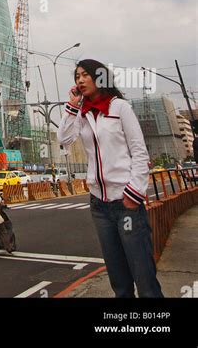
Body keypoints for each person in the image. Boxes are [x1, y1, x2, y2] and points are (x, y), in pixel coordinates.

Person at [58, 59, 163, 299]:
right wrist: (72, 108)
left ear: (100, 77)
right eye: (77, 77)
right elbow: (64, 140)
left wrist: (133, 194)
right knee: (120, 283)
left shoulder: (119, 108)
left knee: (145, 280)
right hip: (99, 206)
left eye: (85, 75)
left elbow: (139, 152)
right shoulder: (82, 114)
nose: (80, 80)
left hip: (126, 203)